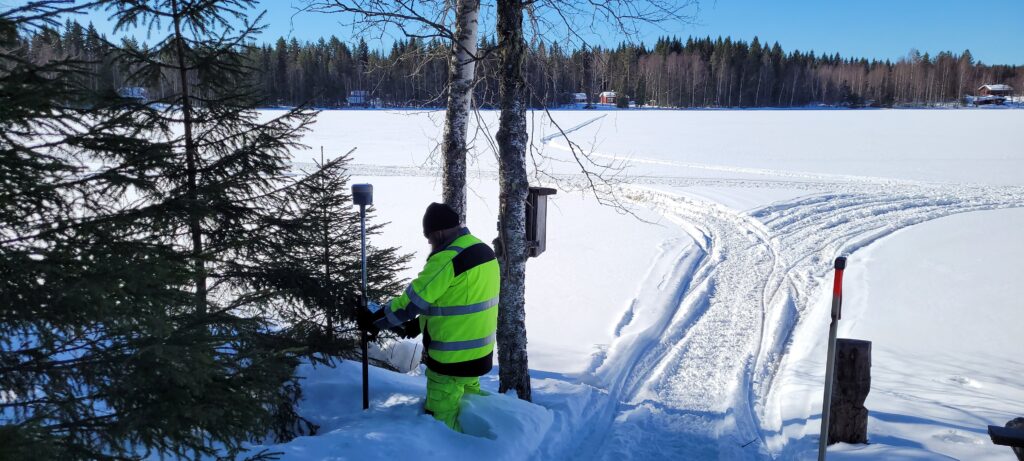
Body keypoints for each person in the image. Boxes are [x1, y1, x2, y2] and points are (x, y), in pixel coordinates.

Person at [359, 202, 500, 432]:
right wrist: (418, 324)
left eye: (430, 236)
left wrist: (374, 320)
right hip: (479, 355)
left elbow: (411, 302)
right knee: (470, 411)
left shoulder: (448, 258)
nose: (429, 242)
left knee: (440, 426)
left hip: (450, 363)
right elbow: (457, 301)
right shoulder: (482, 250)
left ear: (440, 232)